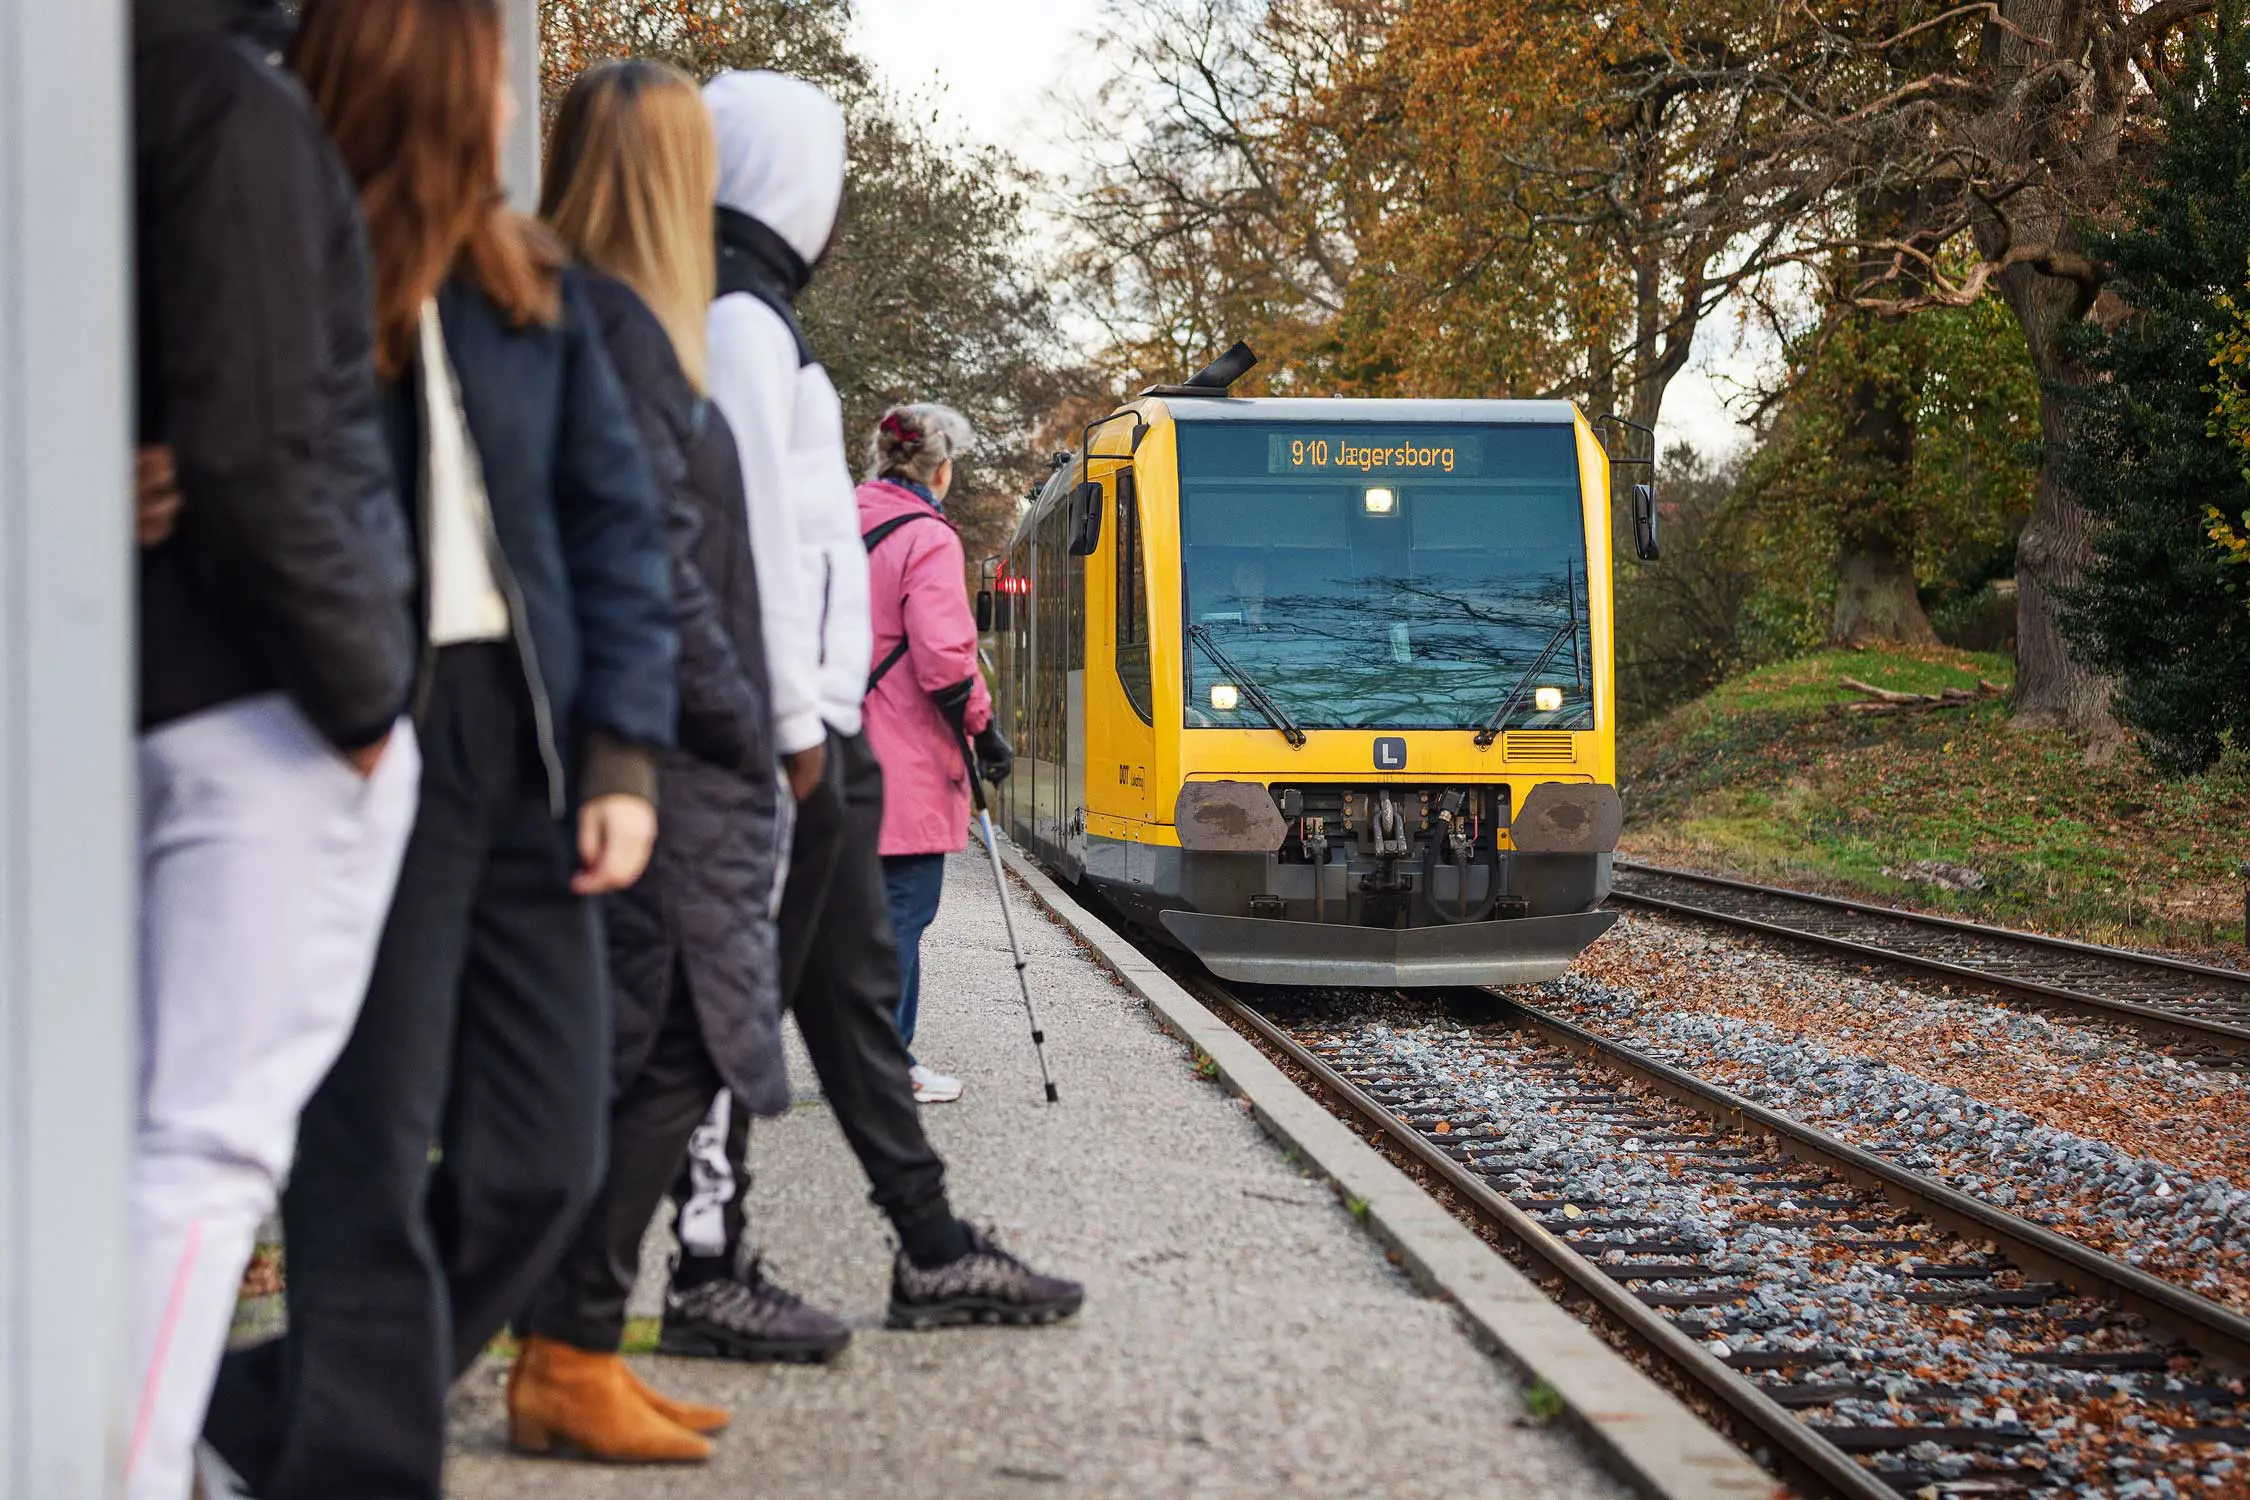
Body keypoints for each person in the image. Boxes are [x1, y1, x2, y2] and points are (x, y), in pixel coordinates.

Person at [201, 3, 679, 1497]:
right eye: (479, 64)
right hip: (354, 736)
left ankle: (260, 1415)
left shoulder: (525, 280)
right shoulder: (286, 253)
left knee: (544, 1158)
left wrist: (622, 760)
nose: (499, 93)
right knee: (366, 1155)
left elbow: (615, 528)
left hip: (526, 751)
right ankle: (354, 1464)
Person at [657, 69, 1083, 1363]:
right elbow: (739, 553)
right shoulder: (738, 327)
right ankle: (687, 1269)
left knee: (843, 1004)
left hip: (826, 735)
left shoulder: (763, 326)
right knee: (721, 1019)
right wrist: (792, 730)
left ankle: (932, 1244)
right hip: (792, 738)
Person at [127, 2, 420, 1494]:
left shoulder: (109, 89)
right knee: (203, 1151)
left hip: (157, 683)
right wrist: (369, 690)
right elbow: (259, 450)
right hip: (263, 707)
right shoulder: (229, 107)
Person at [507, 57, 791, 1465]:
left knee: (655, 1057)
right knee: (662, 1057)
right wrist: (742, 719)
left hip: (656, 754)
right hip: (675, 763)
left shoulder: (566, 314)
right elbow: (661, 571)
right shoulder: (629, 335)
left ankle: (570, 1346)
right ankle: (561, 1350)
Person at [857, 403, 1015, 1105]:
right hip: (904, 762)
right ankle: (886, 1063)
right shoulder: (927, 536)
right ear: (941, 470)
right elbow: (947, 660)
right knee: (902, 912)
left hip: (824, 751)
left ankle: (848, 1056)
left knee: (843, 913)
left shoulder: (832, 518)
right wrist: (985, 731)